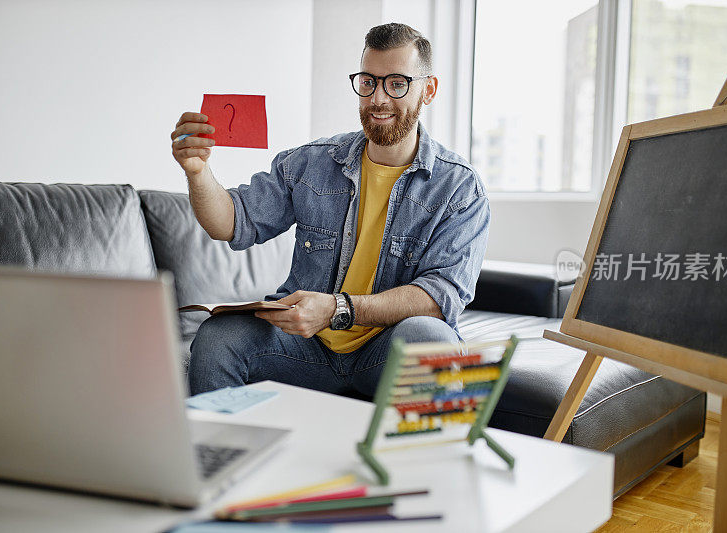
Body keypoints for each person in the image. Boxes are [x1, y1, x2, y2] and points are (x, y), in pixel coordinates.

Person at [171, 23, 490, 398]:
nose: (379, 98)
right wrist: (197, 171)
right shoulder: (311, 163)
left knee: (431, 338)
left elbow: (440, 298)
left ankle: (416, 458)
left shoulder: (459, 188)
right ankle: (218, 452)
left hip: (385, 350)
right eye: (369, 82)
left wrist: (340, 308)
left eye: (398, 83)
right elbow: (231, 222)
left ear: (428, 90)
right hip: (305, 348)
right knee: (218, 337)